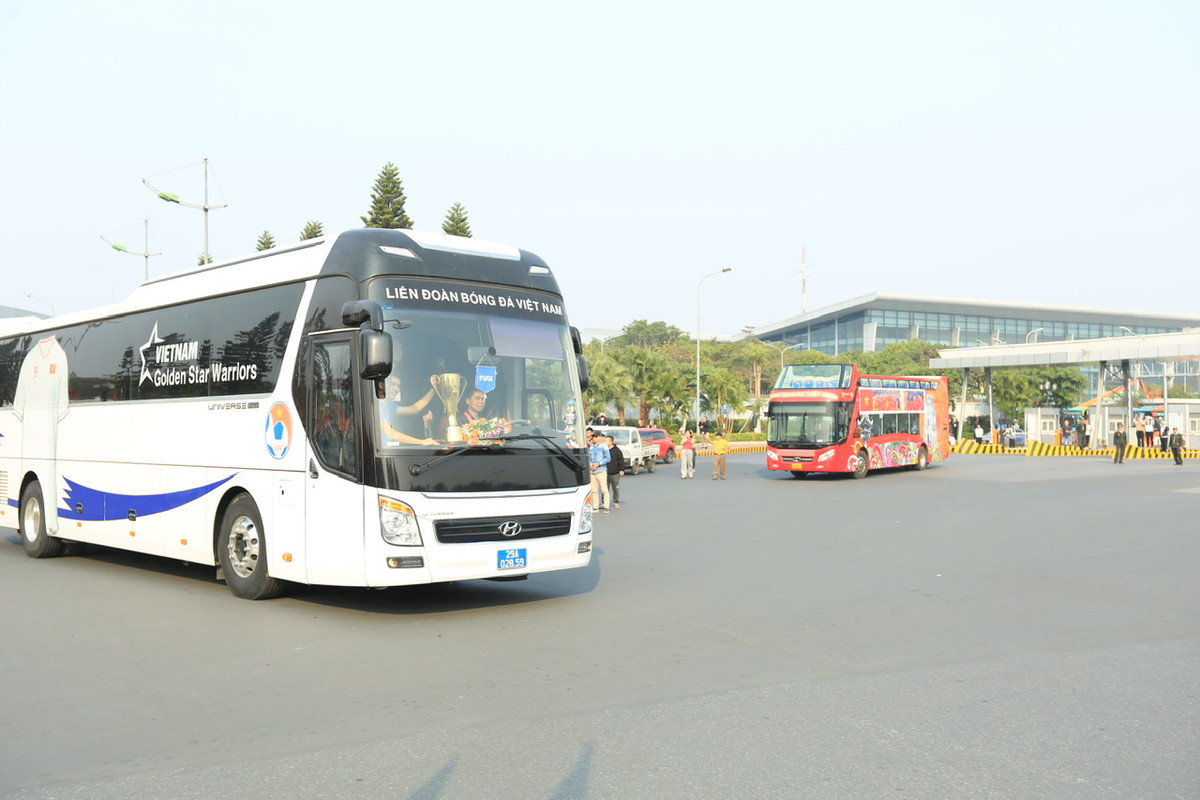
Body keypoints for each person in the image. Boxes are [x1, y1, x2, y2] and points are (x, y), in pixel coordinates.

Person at [378, 374, 439, 446]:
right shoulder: (376, 405)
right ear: (382, 385)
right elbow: (389, 433)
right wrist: (422, 442)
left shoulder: (389, 406)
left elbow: (413, 409)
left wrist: (433, 390)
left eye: (398, 386)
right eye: (392, 384)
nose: (396, 388)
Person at [587, 429, 610, 512]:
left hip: (601, 470)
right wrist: (590, 464)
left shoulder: (603, 446)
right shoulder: (592, 447)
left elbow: (608, 458)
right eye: (593, 436)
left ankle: (606, 506)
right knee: (594, 490)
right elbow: (589, 457)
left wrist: (598, 464)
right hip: (592, 471)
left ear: (600, 437)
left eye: (596, 436)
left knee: (604, 489)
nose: (594, 438)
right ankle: (595, 506)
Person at [604, 434, 626, 508]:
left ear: (611, 442)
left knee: (615, 488)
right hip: (605, 472)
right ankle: (604, 502)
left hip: (615, 473)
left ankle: (616, 501)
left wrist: (622, 470)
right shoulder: (604, 450)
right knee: (605, 489)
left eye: (606, 441)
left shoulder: (617, 450)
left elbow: (621, 460)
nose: (605, 442)